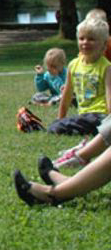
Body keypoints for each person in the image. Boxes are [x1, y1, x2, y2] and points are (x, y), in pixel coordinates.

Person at [41, 16, 111, 166]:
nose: (85, 42)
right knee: (57, 125)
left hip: (100, 116)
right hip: (84, 116)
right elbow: (66, 96)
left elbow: (110, 97)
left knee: (58, 128)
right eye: (82, 38)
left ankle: (86, 145)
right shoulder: (74, 65)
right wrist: (60, 118)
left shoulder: (106, 67)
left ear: (104, 45)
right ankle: (85, 137)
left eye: (91, 39)